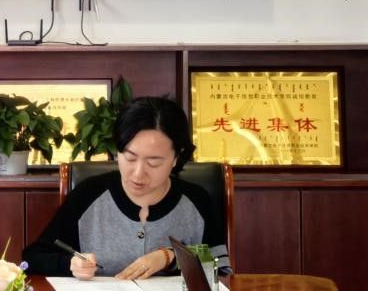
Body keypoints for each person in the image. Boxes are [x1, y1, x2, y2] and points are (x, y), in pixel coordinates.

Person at [23, 97, 230, 280]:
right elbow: (33, 258)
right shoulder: (88, 195)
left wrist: (170, 256)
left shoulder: (197, 200)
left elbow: (221, 269)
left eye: (154, 162)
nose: (138, 174)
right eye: (130, 158)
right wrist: (70, 264)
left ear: (177, 157)